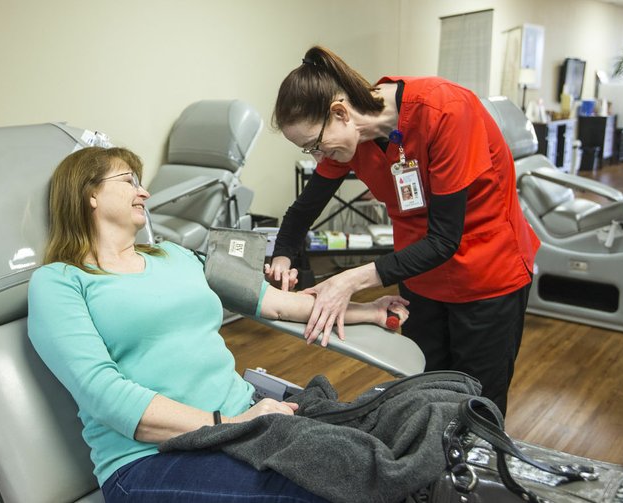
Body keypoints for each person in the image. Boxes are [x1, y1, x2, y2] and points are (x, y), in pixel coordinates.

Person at [27, 146, 410, 502]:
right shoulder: (59, 281)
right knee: (330, 490)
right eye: (129, 181)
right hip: (149, 459)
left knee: (391, 441)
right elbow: (104, 394)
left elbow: (273, 303)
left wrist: (368, 310)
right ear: (88, 193)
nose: (143, 192)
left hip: (247, 420)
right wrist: (229, 423)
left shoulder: (174, 254)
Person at [265, 45, 540, 416]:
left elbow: (444, 238)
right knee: (426, 396)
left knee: (477, 405)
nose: (318, 158)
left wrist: (348, 281)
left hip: (487, 275)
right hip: (420, 276)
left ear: (341, 113)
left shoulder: (445, 111)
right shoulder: (351, 141)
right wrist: (282, 255)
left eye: (315, 145)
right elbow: (303, 211)